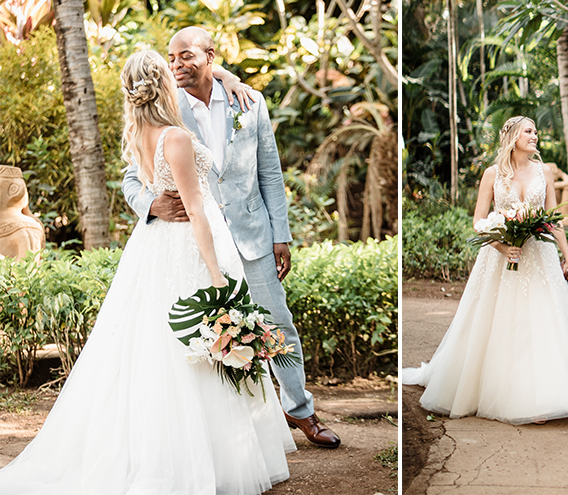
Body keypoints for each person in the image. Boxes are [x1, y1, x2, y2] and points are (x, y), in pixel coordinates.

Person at [0, 50, 295, 493]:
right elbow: (196, 211)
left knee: (163, 346)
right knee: (194, 343)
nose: (178, 75)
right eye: (169, 71)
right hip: (191, 247)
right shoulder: (174, 137)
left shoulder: (140, 132)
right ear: (162, 85)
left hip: (156, 248)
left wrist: (227, 77)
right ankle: (202, 458)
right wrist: (217, 277)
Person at [122, 27, 340, 448]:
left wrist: (282, 234)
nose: (177, 64)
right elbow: (133, 175)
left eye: (186, 55)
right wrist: (150, 206)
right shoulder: (167, 109)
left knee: (277, 324)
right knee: (209, 334)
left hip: (253, 236)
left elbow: (270, 173)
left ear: (210, 55)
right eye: (172, 57)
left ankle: (302, 412)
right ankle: (242, 431)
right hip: (196, 242)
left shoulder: (249, 101)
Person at [402, 116, 568, 424]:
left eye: (536, 131)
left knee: (542, 322)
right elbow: (479, 221)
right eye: (529, 131)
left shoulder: (545, 171)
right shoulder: (493, 174)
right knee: (499, 323)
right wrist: (503, 246)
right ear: (512, 137)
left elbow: (552, 218)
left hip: (538, 257)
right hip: (500, 258)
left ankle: (545, 396)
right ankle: (493, 391)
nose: (535, 136)